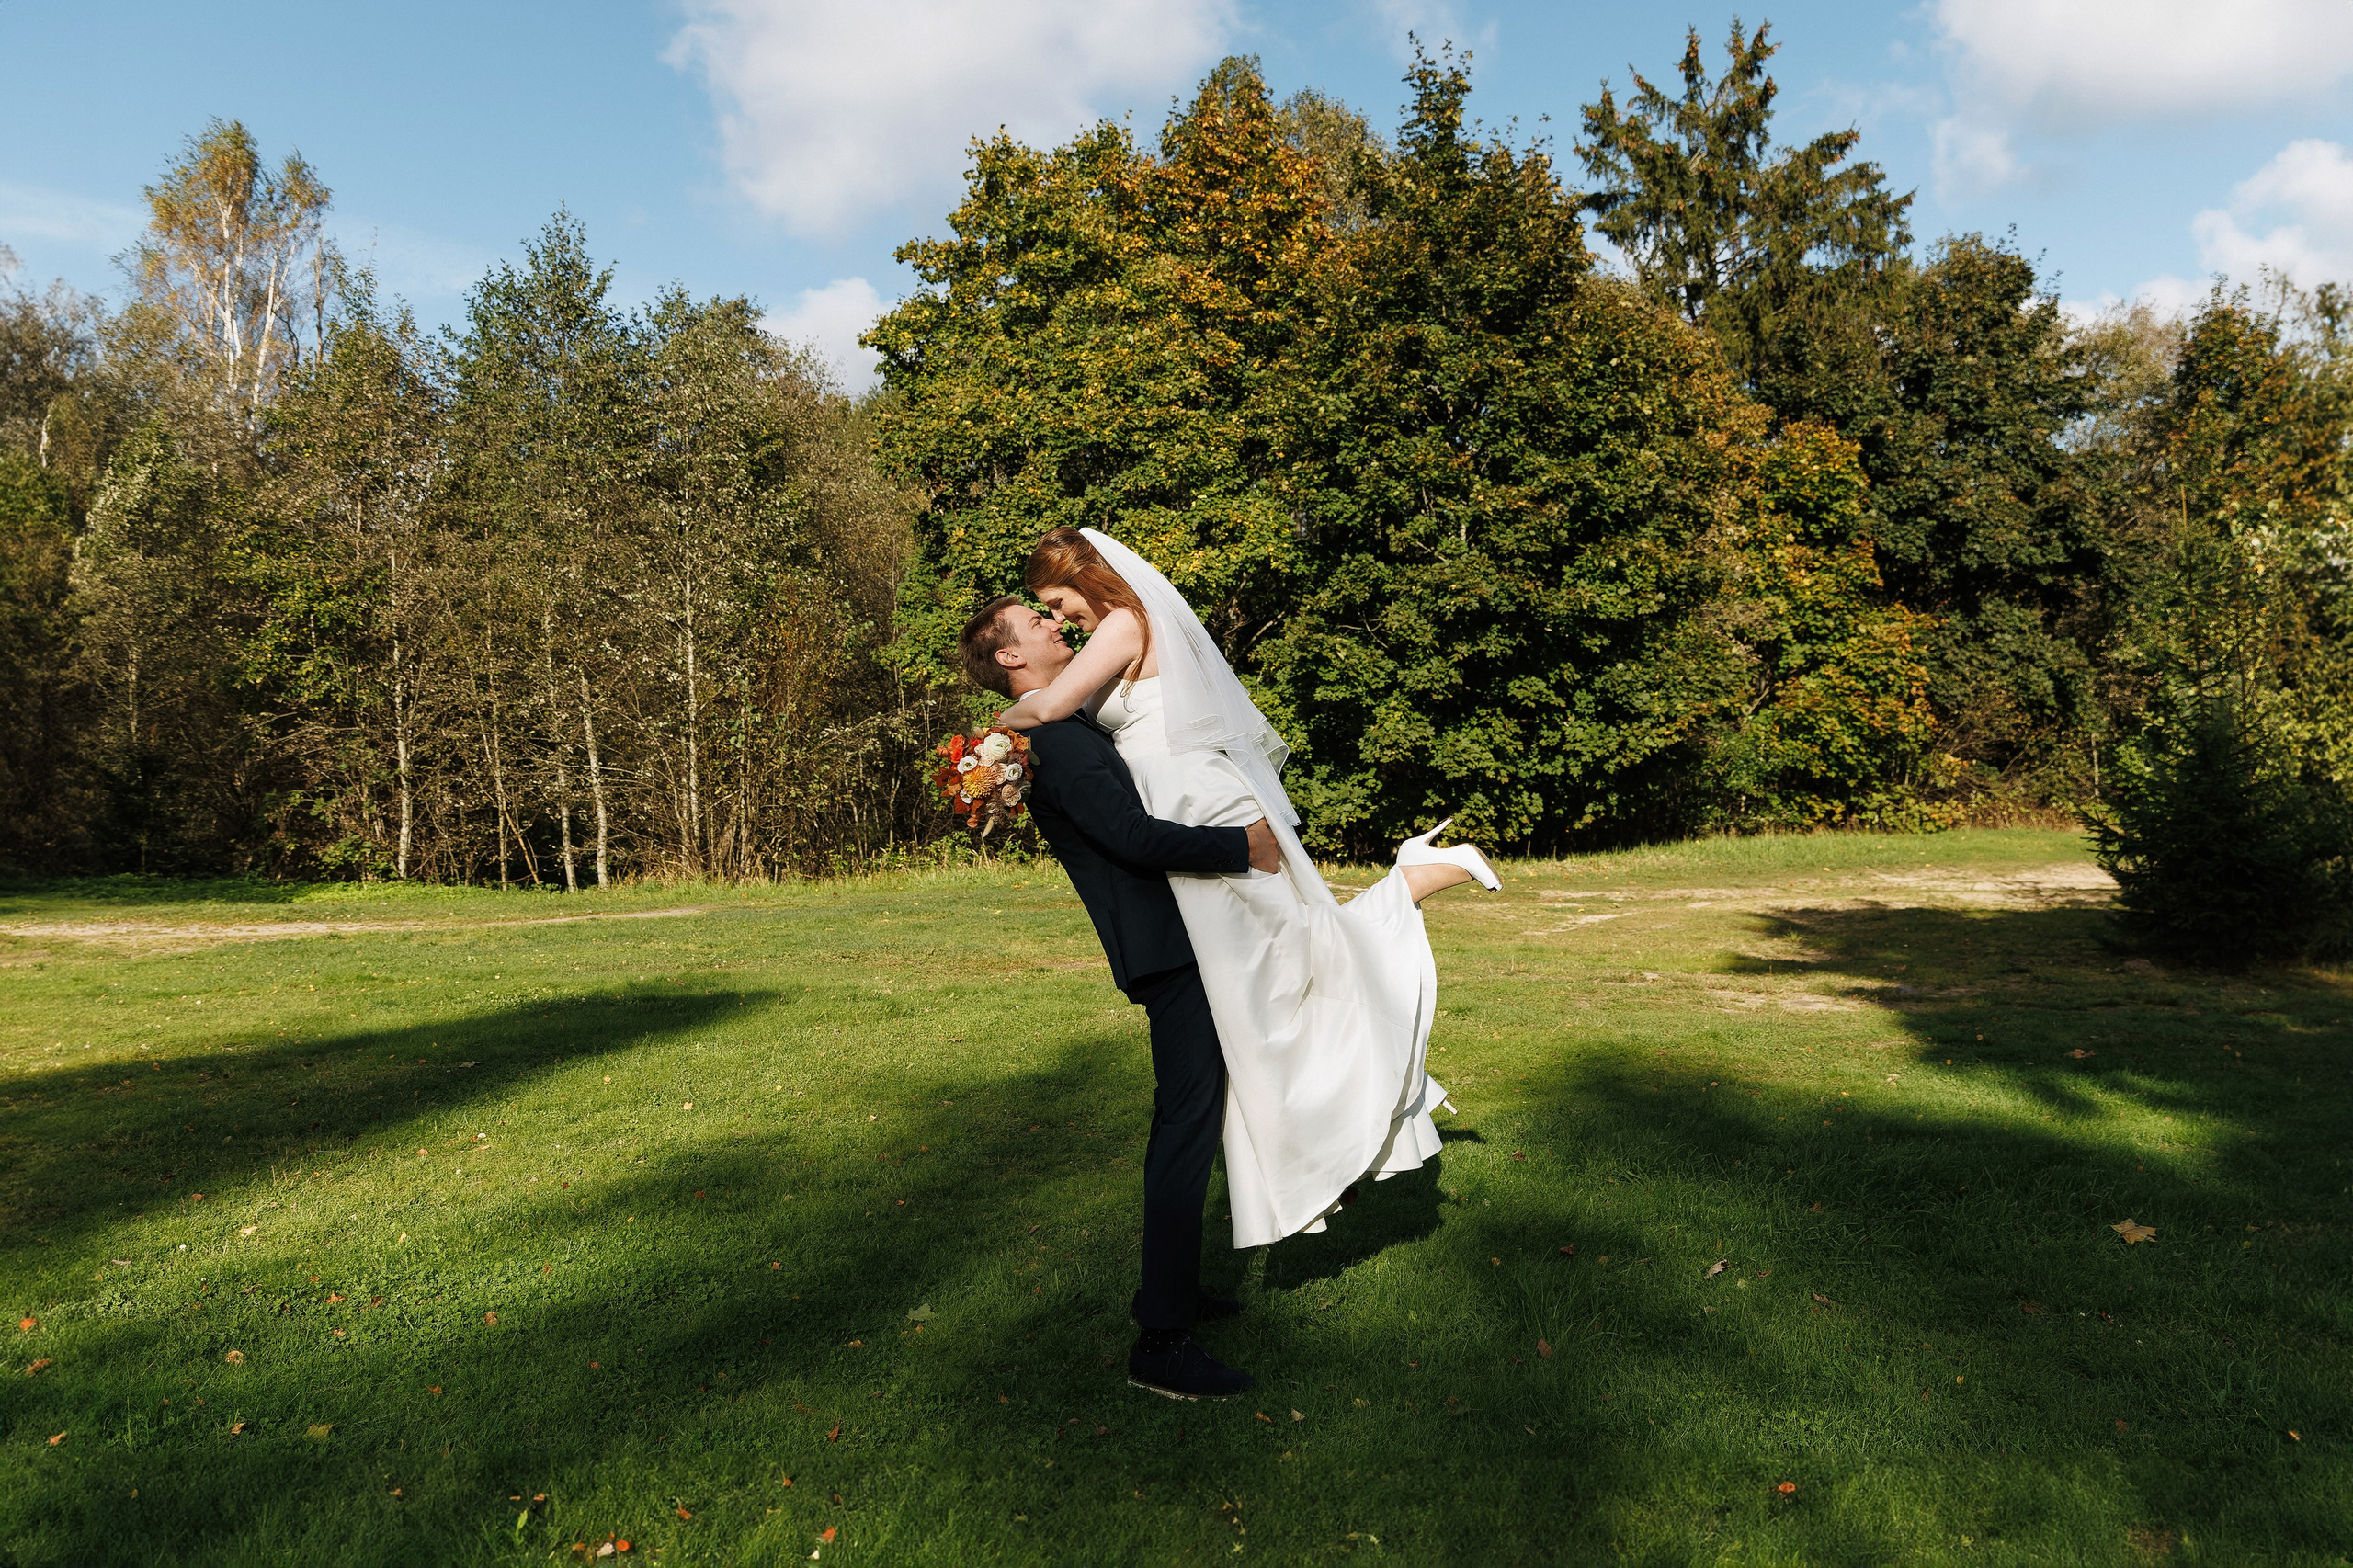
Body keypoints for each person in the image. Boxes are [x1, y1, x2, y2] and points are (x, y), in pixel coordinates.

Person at [992, 527, 1498, 1256]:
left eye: (1058, 600)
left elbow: (1044, 708)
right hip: (1178, 798)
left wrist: (989, 746)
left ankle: (1407, 887)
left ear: (1085, 574)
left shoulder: (1127, 622)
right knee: (1271, 975)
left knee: (1282, 967)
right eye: (1045, 611)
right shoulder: (1118, 629)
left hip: (1193, 799)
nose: (1060, 616)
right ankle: (1325, 1133)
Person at [960, 594, 1279, 1401]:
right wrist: (1240, 845)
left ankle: (1170, 1295)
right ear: (1009, 657)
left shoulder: (1064, 727)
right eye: (1038, 624)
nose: (1057, 625)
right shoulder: (1055, 742)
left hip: (1178, 938)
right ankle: (1162, 1344)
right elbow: (1132, 841)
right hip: (1169, 949)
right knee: (1185, 1126)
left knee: (1188, 1118)